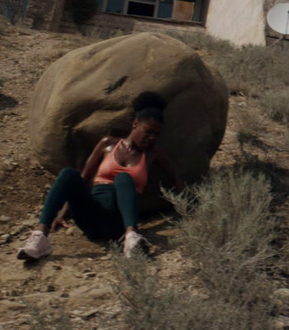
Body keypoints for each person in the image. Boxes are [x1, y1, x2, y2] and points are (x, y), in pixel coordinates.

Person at [17, 91, 185, 260]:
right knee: (69, 174)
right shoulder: (108, 144)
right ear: (135, 124)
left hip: (118, 222)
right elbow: (82, 179)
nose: (151, 138)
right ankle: (41, 237)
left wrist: (186, 208)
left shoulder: (154, 153)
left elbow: (176, 178)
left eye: (156, 134)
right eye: (148, 131)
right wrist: (62, 214)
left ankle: (132, 239)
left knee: (123, 178)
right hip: (91, 217)